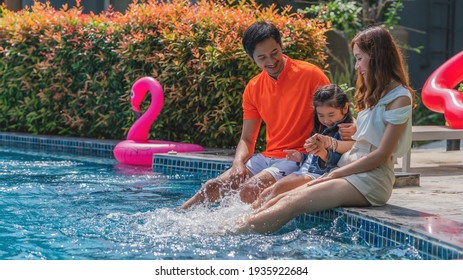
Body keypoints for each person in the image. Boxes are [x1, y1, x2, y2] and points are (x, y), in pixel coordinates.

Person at [239, 25, 416, 233]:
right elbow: (364, 137)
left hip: (371, 180)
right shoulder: (374, 94)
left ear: (377, 57)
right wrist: (341, 137)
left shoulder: (400, 98)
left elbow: (380, 155)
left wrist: (334, 174)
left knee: (291, 204)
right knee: (282, 195)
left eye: (359, 58)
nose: (357, 66)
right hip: (351, 169)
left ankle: (233, 236)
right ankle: (238, 228)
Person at [180, 21, 330, 209]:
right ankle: (176, 217)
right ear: (252, 58)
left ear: (281, 45)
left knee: (250, 189)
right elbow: (247, 138)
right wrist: (238, 162)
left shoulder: (312, 75)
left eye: (274, 52)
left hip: (299, 157)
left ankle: (231, 231)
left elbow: (333, 119)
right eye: (262, 57)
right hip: (268, 156)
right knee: (211, 187)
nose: (271, 61)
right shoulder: (253, 88)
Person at [252, 84, 354, 209]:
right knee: (266, 193)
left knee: (277, 190)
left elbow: (339, 161)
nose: (326, 120)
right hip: (306, 171)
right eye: (321, 115)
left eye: (331, 114)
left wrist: (321, 151)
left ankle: (255, 216)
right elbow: (314, 159)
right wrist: (301, 156)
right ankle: (249, 214)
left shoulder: (345, 131)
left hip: (317, 175)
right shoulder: (326, 129)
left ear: (345, 108)